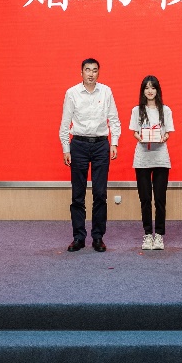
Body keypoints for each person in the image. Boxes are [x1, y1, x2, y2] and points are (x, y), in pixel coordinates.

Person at [59, 58, 121, 252]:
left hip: (101, 145)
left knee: (100, 194)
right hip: (78, 145)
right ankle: (78, 237)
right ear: (81, 73)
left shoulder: (106, 91)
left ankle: (98, 237)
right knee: (78, 195)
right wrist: (66, 148)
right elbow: (65, 123)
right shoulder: (72, 93)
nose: (91, 74)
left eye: (94, 70)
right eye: (88, 70)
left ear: (98, 73)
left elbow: (114, 120)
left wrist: (114, 143)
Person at [130, 75, 174, 250]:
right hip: (142, 158)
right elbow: (135, 132)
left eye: (153, 87)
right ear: (143, 91)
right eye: (147, 88)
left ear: (157, 90)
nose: (150, 91)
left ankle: (159, 235)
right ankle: (148, 234)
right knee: (145, 199)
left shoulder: (165, 110)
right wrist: (140, 137)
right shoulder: (137, 110)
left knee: (160, 199)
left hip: (161, 158)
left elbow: (168, 132)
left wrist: (164, 137)